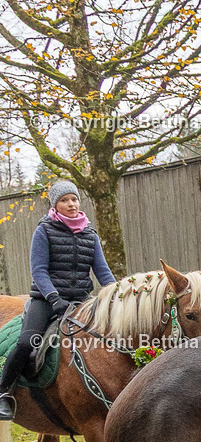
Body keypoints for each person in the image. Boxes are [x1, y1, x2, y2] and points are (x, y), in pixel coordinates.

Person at [0, 180, 116, 420]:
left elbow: (102, 272)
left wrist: (117, 295)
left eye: (74, 199)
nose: (71, 204)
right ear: (56, 204)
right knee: (26, 343)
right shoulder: (44, 230)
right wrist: (54, 298)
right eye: (64, 200)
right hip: (46, 300)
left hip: (82, 300)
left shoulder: (90, 233)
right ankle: (4, 393)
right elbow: (39, 270)